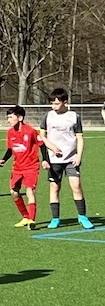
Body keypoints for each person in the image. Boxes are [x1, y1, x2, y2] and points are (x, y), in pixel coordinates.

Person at [0, 105, 62, 228]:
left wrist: (45, 160)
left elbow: (42, 145)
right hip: (17, 167)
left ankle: (32, 219)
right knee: (14, 192)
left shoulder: (30, 131)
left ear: (20, 118)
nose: (8, 120)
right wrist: (4, 159)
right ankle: (25, 217)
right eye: (8, 117)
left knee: (30, 191)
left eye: (10, 117)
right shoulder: (10, 132)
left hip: (31, 166)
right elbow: (11, 149)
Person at [41, 88, 94, 230]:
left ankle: (82, 216)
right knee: (55, 187)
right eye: (52, 103)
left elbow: (80, 138)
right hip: (54, 159)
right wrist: (52, 147)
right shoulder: (48, 116)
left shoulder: (74, 116)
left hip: (71, 159)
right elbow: (42, 137)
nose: (54, 106)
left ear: (65, 102)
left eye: (56, 103)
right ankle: (55, 218)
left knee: (76, 186)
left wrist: (79, 156)